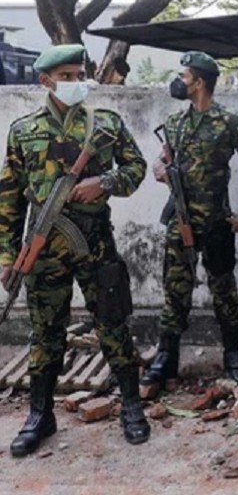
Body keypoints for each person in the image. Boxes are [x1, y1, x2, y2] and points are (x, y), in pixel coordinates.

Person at [0, 44, 150, 456]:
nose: (75, 82)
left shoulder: (105, 124)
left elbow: (136, 170)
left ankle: (132, 407)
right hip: (44, 249)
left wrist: (103, 184)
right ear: (46, 81)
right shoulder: (23, 131)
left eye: (78, 74)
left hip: (95, 243)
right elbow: (9, 198)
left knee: (113, 323)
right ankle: (39, 415)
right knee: (45, 333)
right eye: (66, 76)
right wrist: (8, 256)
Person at [141, 51, 238, 397]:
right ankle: (167, 356)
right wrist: (159, 169)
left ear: (200, 82)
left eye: (185, 76)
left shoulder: (231, 122)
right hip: (180, 220)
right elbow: (162, 162)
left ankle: (233, 355)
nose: (180, 82)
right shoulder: (174, 125)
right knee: (175, 290)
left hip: (217, 223)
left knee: (224, 290)